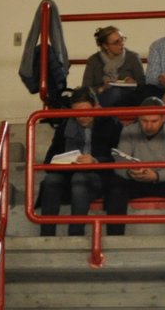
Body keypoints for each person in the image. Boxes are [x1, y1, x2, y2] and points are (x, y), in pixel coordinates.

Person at [104, 98, 165, 235]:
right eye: (144, 121)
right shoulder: (129, 130)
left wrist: (157, 176)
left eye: (154, 121)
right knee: (115, 187)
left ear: (163, 118)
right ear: (138, 117)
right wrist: (130, 172)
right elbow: (120, 161)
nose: (149, 126)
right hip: (136, 179)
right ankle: (114, 238)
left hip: (163, 180)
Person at [36, 89, 119, 237]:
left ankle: (76, 234)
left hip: (98, 177)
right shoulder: (64, 127)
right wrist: (63, 161)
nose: (81, 117)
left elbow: (118, 156)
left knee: (79, 178)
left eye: (86, 111)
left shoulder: (110, 124)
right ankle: (46, 235)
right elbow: (49, 159)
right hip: (67, 176)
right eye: (76, 113)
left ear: (95, 107)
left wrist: (96, 161)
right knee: (50, 180)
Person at [82, 26, 147, 107]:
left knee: (118, 93)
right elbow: (85, 89)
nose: (122, 44)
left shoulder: (133, 57)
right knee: (113, 93)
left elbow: (142, 83)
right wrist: (102, 88)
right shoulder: (93, 61)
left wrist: (134, 82)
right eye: (116, 42)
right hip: (101, 97)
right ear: (105, 46)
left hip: (129, 97)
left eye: (122, 39)